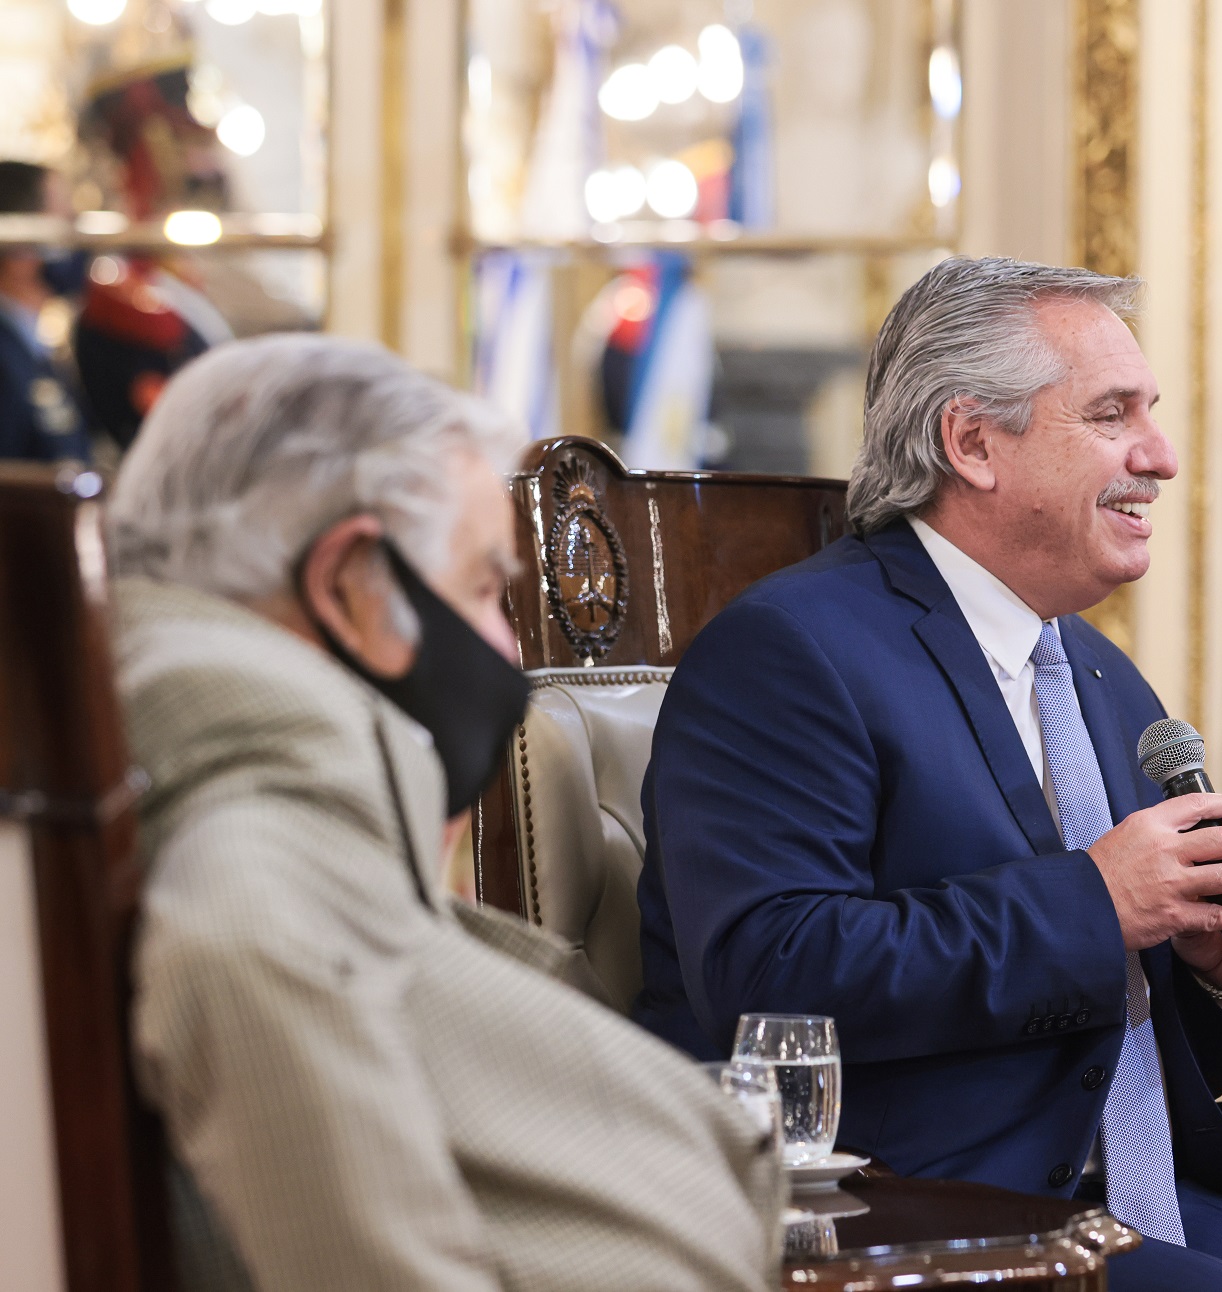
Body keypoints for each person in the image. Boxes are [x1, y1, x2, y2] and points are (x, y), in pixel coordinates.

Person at [636, 257, 1222, 1291]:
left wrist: (1205, 966)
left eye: (1148, 413)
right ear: (971, 442)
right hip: (900, 1208)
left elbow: (1112, 1060)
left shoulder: (1101, 676)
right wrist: (1099, 899)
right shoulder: (790, 651)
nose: (1156, 456)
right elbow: (768, 976)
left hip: (1122, 1194)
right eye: (1111, 415)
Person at [109, 335, 783, 1292]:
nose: (507, 649)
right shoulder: (259, 873)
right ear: (352, 586)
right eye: (481, 588)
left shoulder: (234, 801)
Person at [0, 160, 92, 462]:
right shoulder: (7, 358)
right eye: (61, 222)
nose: (75, 239)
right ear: (19, 247)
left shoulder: (30, 342)